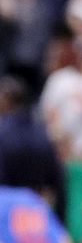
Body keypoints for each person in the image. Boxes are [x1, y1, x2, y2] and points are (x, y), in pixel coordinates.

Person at [0, 78, 63, 210]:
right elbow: (56, 179)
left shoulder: (3, 132)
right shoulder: (42, 134)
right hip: (34, 211)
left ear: (7, 100)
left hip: (6, 211)